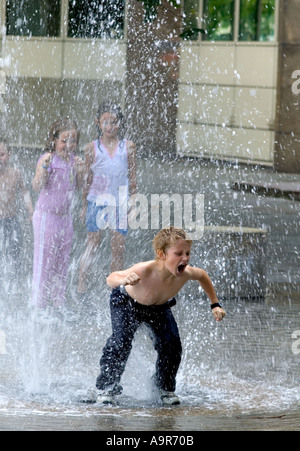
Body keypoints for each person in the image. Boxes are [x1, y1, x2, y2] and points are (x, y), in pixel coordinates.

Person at [95, 227, 226, 406]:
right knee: (120, 342)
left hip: (159, 308)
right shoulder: (145, 270)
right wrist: (123, 281)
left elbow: (202, 275)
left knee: (171, 345)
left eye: (188, 252)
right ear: (161, 254)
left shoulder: (185, 273)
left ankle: (164, 387)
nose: (185, 258)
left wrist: (215, 304)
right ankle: (107, 387)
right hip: (127, 304)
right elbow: (111, 278)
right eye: (178, 253)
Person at [77, 102, 137, 294]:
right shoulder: (91, 148)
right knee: (92, 244)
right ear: (97, 122)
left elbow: (133, 177)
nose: (110, 127)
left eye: (114, 122)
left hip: (119, 202)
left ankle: (116, 287)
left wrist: (134, 203)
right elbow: (88, 179)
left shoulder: (128, 147)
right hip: (97, 201)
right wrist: (85, 206)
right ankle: (81, 283)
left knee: (118, 247)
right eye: (105, 122)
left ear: (120, 123)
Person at [31, 118, 84, 309]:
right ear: (54, 141)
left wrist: (80, 171)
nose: (69, 145)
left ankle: (58, 302)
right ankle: (39, 304)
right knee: (45, 261)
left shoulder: (73, 161)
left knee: (62, 261)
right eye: (64, 140)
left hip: (65, 219)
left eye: (73, 141)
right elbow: (37, 186)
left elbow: (79, 187)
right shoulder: (48, 159)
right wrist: (45, 168)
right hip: (47, 217)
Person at [0, 138, 34, 289]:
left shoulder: (15, 173)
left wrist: (31, 211)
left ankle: (13, 284)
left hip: (10, 220)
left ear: (9, 154)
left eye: (1, 154)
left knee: (15, 253)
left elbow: (25, 192)